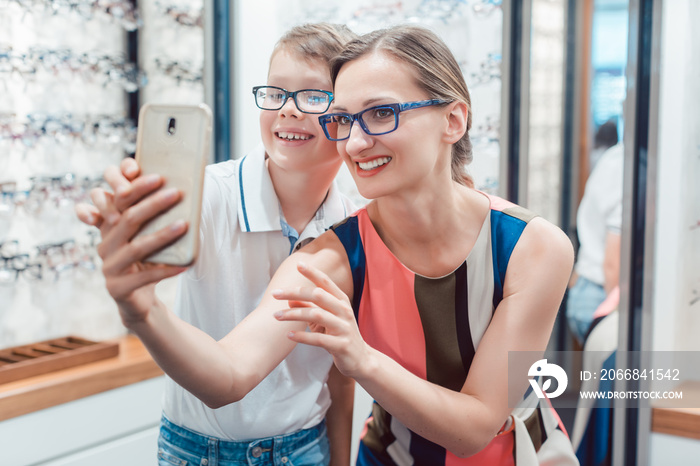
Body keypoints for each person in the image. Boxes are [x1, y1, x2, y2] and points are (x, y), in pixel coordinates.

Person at [83, 25, 578, 465]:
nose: (356, 143)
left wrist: (360, 358)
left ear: (453, 121)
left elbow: (474, 429)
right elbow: (229, 376)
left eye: (382, 113)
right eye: (345, 119)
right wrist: (140, 308)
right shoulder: (333, 253)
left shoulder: (529, 247)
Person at [76, 23, 358, 466]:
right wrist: (135, 283)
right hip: (195, 451)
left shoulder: (351, 227)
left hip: (306, 447)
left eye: (313, 96)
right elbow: (224, 380)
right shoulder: (209, 194)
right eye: (276, 92)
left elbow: (341, 373)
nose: (288, 110)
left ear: (347, 117)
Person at [566, 141, 624, 345]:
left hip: (590, 287)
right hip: (600, 293)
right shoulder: (624, 166)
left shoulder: (617, 157)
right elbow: (612, 263)